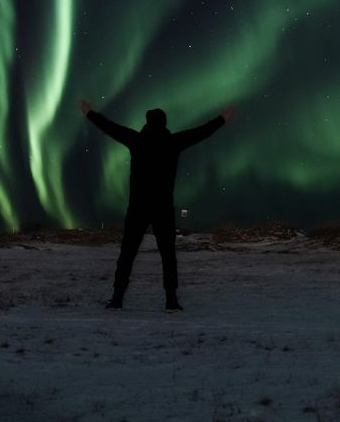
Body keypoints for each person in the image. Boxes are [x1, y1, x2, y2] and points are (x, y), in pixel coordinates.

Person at [78, 98, 235, 312]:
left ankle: (117, 299)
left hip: (138, 206)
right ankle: (171, 300)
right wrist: (221, 119)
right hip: (162, 207)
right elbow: (200, 133)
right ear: (164, 123)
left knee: (127, 254)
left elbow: (111, 129)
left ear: (147, 122)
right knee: (168, 256)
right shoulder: (173, 142)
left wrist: (90, 113)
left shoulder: (136, 140)